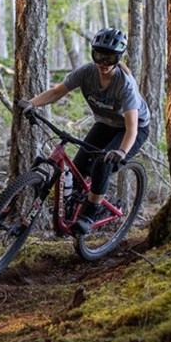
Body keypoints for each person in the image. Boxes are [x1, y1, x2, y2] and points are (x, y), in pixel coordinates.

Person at [18, 27, 150, 234]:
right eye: (99, 56)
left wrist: (121, 152)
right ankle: (72, 213)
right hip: (105, 124)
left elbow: (132, 127)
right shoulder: (87, 72)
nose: (103, 64)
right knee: (79, 169)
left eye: (110, 59)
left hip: (132, 129)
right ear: (93, 53)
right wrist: (32, 104)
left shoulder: (125, 85)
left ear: (118, 59)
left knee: (102, 165)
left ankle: (91, 212)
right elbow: (57, 91)